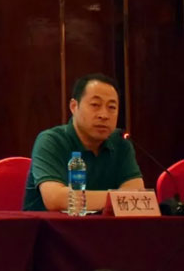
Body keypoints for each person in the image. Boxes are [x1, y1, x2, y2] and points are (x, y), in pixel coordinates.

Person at [23, 73, 144, 211]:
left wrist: (124, 199)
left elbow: (137, 196)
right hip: (52, 224)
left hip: (105, 225)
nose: (104, 115)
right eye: (95, 105)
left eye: (111, 107)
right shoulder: (51, 141)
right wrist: (120, 199)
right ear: (74, 106)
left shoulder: (121, 143)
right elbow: (56, 199)